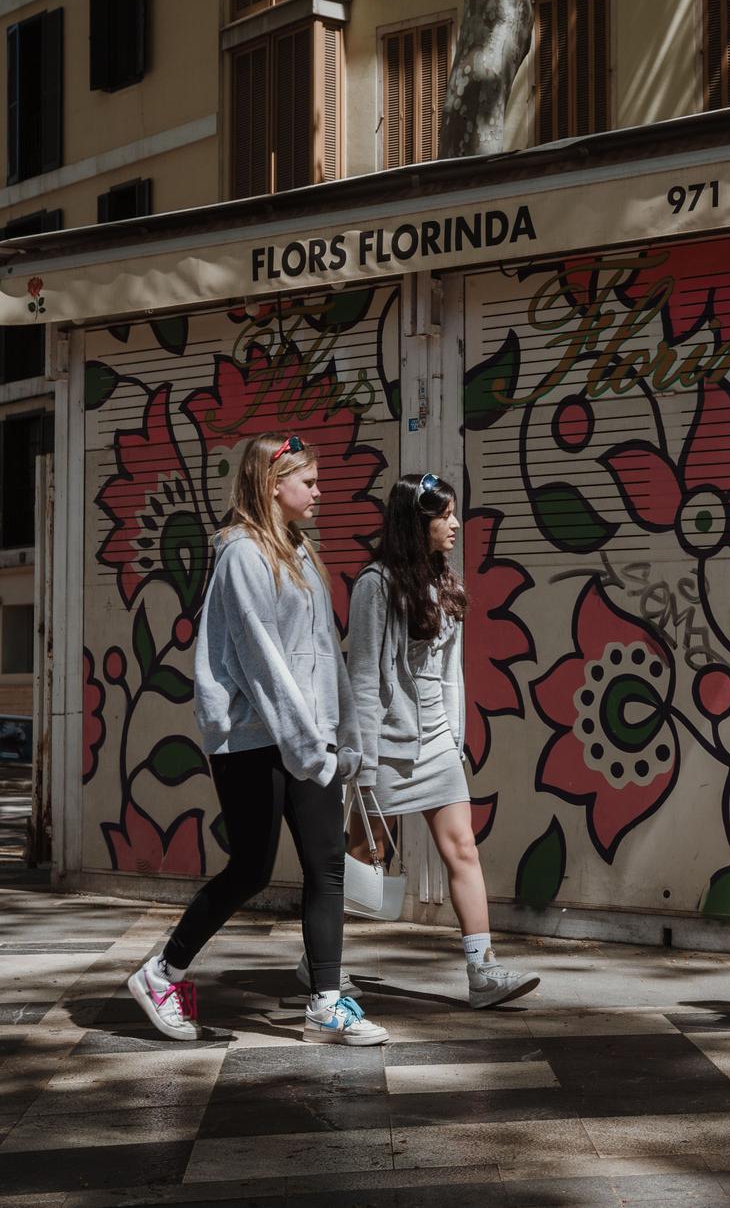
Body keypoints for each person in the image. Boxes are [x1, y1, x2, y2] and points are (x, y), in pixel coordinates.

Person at [124, 432, 386, 1046]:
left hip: (304, 737)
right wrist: (305, 744)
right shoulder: (242, 555)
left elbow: (324, 655)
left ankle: (325, 1002)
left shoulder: (298, 551)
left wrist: (340, 735)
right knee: (251, 868)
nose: (320, 491)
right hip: (252, 739)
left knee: (327, 867)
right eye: (309, 481)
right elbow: (263, 661)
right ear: (274, 484)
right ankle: (162, 973)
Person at [344, 472, 538, 1009]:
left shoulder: (442, 582)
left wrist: (454, 738)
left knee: (463, 848)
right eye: (444, 515)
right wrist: (361, 764)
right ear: (417, 521)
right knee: (363, 859)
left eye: (454, 513)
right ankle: (321, 960)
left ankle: (482, 972)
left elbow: (451, 672)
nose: (455, 524)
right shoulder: (375, 585)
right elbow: (363, 676)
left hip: (436, 743)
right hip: (384, 744)